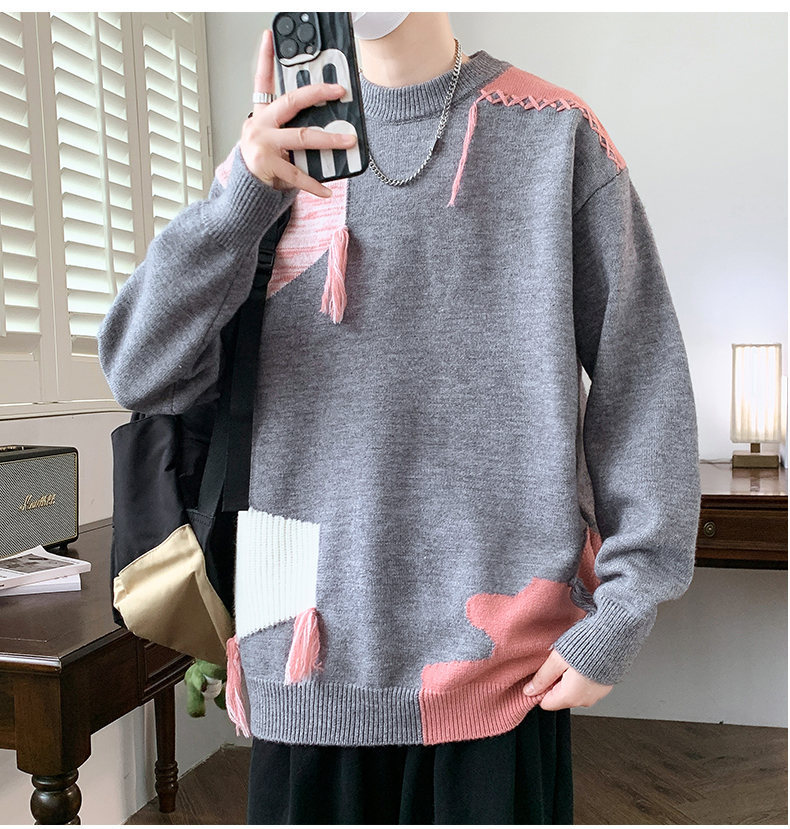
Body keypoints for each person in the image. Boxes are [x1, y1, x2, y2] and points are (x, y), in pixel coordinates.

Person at [97, 11, 702, 825]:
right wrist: (242, 194)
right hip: (302, 655)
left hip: (501, 670)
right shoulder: (277, 153)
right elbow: (139, 369)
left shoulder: (556, 135)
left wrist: (624, 609)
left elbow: (644, 376)